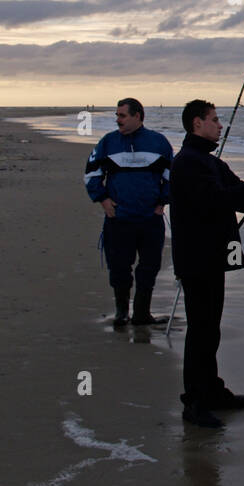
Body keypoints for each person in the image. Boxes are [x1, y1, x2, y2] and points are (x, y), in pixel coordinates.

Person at [170, 99, 244, 428]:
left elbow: (238, 193)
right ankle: (194, 402)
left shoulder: (210, 162)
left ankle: (212, 391)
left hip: (213, 257)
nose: (220, 125)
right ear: (197, 124)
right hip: (196, 259)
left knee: (210, 330)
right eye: (214, 119)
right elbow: (213, 201)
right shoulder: (187, 163)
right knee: (200, 331)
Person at [84, 98, 174, 327]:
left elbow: (172, 178)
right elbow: (91, 174)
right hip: (118, 219)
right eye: (117, 115)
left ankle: (142, 314)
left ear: (137, 116)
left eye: (122, 115)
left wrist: (162, 202)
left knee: (149, 268)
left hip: (150, 220)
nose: (118, 120)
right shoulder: (108, 143)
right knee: (119, 268)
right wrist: (103, 200)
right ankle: (122, 313)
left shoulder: (159, 142)